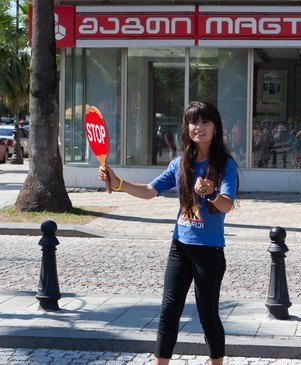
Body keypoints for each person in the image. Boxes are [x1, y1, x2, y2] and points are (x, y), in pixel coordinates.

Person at [99, 101, 239, 364]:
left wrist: (210, 193)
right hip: (180, 247)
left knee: (208, 315)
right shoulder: (179, 164)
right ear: (187, 128)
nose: (200, 127)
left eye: (206, 122)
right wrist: (118, 183)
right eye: (194, 122)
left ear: (216, 128)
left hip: (209, 250)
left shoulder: (225, 165)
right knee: (168, 312)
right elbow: (149, 191)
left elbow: (227, 205)